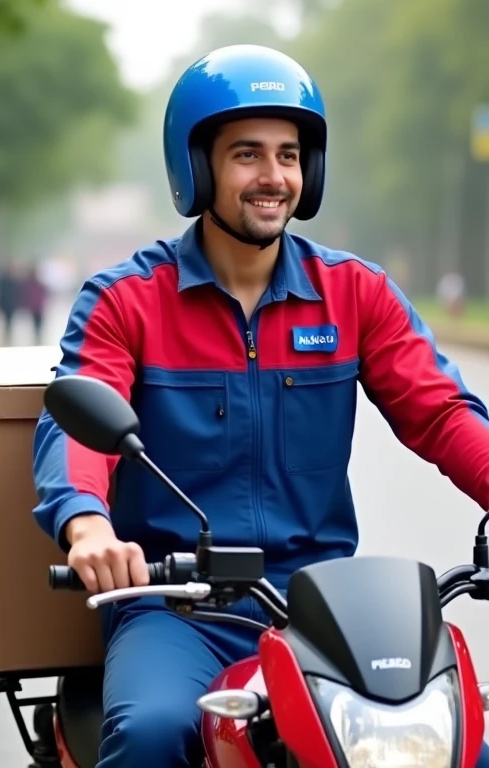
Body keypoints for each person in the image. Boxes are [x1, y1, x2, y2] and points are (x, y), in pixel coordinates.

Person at [32, 44, 489, 767]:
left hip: (326, 608)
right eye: (247, 154)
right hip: (177, 607)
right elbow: (80, 423)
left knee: (461, 735)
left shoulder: (354, 294)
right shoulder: (128, 300)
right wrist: (87, 525)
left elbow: (441, 413)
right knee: (152, 734)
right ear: (197, 166)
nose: (273, 176)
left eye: (289, 154)